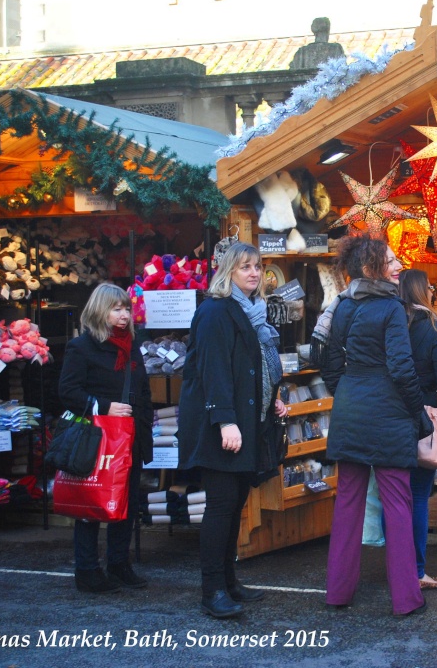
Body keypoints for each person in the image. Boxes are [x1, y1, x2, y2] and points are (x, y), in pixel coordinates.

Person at [178, 242, 288, 618]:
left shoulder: (252, 311)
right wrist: (226, 421)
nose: (254, 273)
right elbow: (214, 371)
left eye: (257, 266)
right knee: (221, 508)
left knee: (234, 504)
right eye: (245, 267)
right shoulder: (215, 312)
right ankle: (212, 591)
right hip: (222, 427)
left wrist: (273, 396)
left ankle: (228, 581)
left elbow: (254, 368)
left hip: (247, 422)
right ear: (228, 272)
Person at [322, 235, 427, 616]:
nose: (399, 265)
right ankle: (405, 598)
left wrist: (351, 393)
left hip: (350, 409)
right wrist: (417, 409)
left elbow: (331, 366)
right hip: (388, 414)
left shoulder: (343, 306)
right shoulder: (391, 308)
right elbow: (402, 368)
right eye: (392, 260)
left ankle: (338, 592)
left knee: (348, 504)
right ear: (371, 268)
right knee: (398, 504)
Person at [59, 283, 154, 594]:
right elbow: (68, 392)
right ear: (100, 310)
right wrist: (104, 406)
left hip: (130, 437)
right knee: (92, 501)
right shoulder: (82, 347)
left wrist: (145, 425)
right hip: (98, 438)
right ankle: (86, 570)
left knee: (126, 502)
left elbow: (142, 389)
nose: (124, 315)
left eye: (126, 308)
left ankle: (118, 564)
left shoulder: (132, 344)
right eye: (116, 308)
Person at [397, 269, 437, 591]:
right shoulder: (435, 328)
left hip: (388, 417)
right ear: (425, 292)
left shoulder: (389, 325)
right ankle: (416, 571)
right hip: (422, 415)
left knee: (394, 495)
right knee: (419, 495)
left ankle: (397, 567)